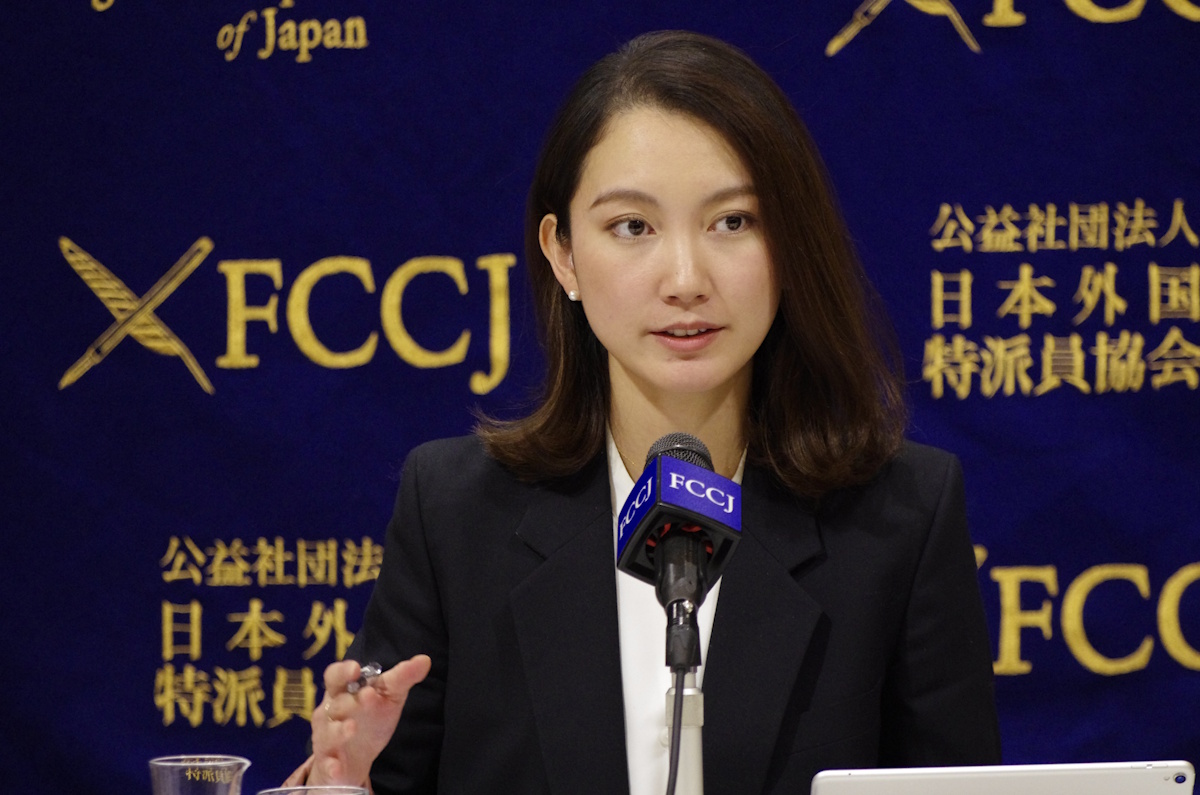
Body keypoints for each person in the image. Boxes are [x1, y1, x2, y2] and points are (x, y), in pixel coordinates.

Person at [284, 29, 1001, 794]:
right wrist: (341, 783)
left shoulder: (900, 520)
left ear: (788, 242)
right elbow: (375, 778)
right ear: (563, 254)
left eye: (733, 222)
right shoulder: (455, 515)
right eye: (633, 227)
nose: (686, 278)